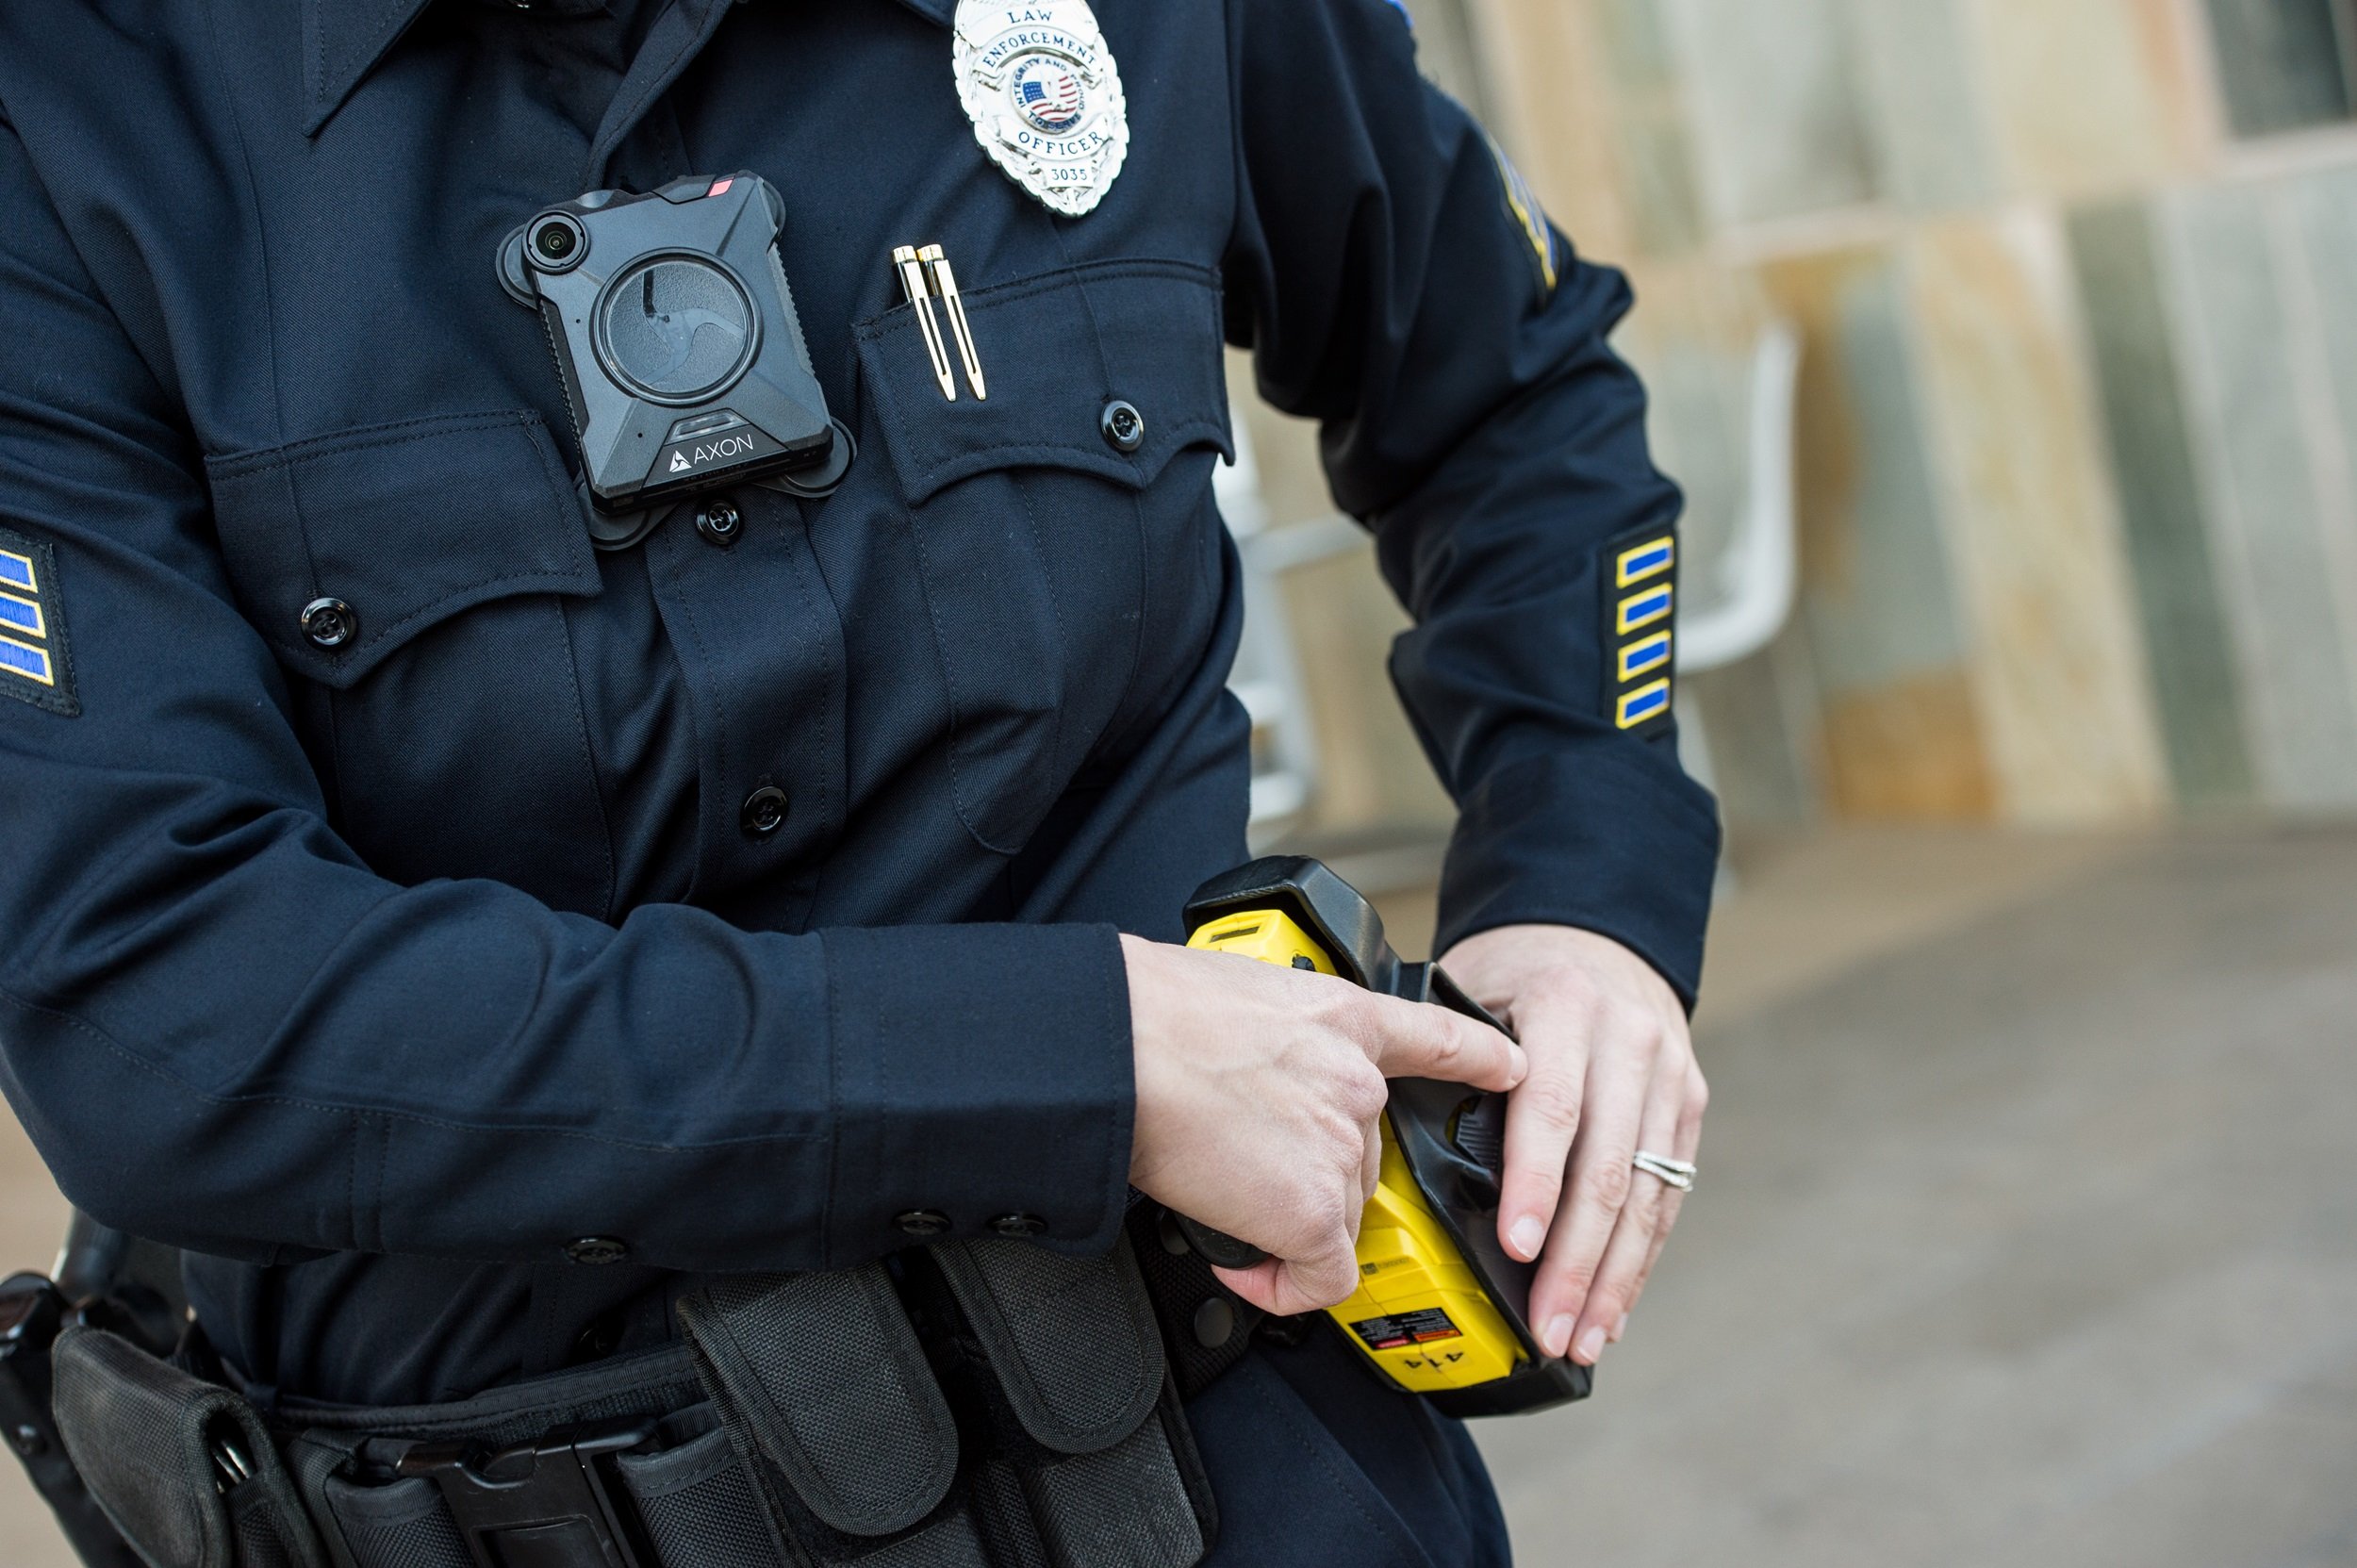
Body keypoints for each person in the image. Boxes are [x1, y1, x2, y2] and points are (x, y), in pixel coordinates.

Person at [0, 0, 1717, 1562]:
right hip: (504, 1502)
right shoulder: (67, 113)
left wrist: (1589, 891)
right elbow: (164, 1010)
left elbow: (1518, 399)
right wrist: (1076, 1058)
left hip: (1233, 1478)